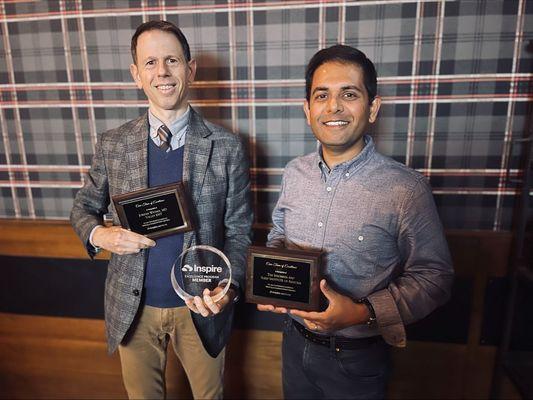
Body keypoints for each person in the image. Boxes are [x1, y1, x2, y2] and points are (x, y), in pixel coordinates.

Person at [258, 44, 454, 399]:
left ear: (373, 107)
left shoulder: (406, 188)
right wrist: (272, 279)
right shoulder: (294, 173)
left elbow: (435, 278)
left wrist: (361, 313)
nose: (333, 107)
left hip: (357, 361)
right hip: (293, 344)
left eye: (349, 94)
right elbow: (279, 235)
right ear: (308, 109)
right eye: (322, 95)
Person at [70, 20, 252, 399]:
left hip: (201, 309)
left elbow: (238, 232)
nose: (163, 72)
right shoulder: (113, 144)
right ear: (137, 74)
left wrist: (228, 287)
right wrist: (100, 234)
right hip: (132, 307)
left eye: (172, 60)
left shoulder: (227, 146)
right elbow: (83, 210)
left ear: (191, 68)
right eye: (150, 62)